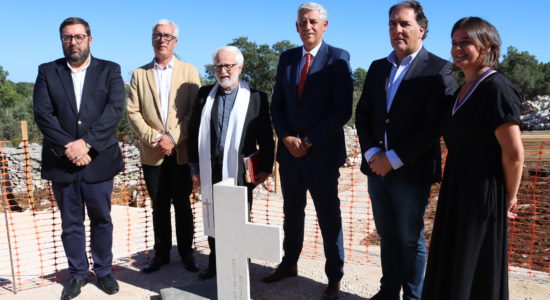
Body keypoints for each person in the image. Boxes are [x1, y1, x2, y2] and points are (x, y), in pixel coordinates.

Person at [354, 1, 454, 299]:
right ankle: (388, 292)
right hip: (375, 169)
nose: (397, 29)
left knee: (410, 239)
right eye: (392, 24)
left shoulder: (439, 69)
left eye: (404, 24)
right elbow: (363, 115)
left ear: (421, 29)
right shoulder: (377, 67)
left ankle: (413, 296)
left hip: (412, 171)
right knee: (387, 236)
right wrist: (373, 155)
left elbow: (433, 124)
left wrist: (394, 159)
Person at [422, 17, 524, 300]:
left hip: (482, 193)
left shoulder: (496, 88)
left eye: (466, 41)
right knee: (453, 262)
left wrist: (509, 196)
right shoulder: (461, 91)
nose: (457, 48)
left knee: (474, 267)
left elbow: (514, 154)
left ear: (487, 45)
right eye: (454, 42)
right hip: (457, 187)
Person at [264, 2, 353, 299]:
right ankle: (289, 264)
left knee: (329, 215)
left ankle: (334, 276)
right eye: (302, 22)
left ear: (324, 25)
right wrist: (287, 137)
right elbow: (277, 104)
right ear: (296, 27)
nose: (308, 26)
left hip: (322, 153)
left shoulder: (337, 58)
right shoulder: (287, 58)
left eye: (313, 21)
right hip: (290, 155)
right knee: (292, 212)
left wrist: (310, 140)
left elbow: (342, 109)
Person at [33, 17, 124, 300]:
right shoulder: (48, 71)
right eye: (67, 37)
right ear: (61, 40)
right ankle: (77, 274)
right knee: (70, 223)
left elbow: (114, 110)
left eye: (79, 37)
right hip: (62, 162)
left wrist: (86, 144)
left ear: (90, 39)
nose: (73, 42)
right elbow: (43, 115)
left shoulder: (110, 70)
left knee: (101, 219)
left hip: (99, 160)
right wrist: (69, 147)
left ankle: (104, 270)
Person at [188, 46, 275, 280]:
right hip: (210, 168)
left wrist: (266, 168)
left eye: (228, 66)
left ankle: (239, 266)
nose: (223, 71)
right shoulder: (204, 95)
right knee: (213, 216)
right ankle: (216, 264)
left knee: (239, 219)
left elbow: (266, 136)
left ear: (240, 68)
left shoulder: (256, 98)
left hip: (240, 171)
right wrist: (194, 167)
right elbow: (194, 132)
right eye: (218, 66)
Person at [127, 19, 201, 274]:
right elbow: (133, 112)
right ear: (152, 39)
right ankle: (161, 254)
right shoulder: (139, 74)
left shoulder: (190, 71)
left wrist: (173, 137)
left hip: (180, 152)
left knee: (183, 204)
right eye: (157, 35)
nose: (162, 40)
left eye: (167, 36)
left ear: (175, 41)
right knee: (159, 205)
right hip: (153, 152)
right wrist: (156, 138)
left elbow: (195, 111)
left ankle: (187, 253)